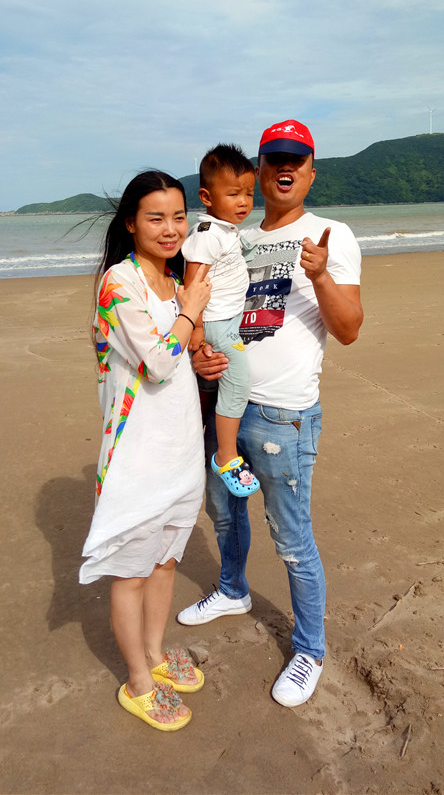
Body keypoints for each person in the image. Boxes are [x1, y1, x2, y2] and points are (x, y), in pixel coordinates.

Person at [177, 120, 363, 708]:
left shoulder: (332, 235)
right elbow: (208, 303)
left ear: (311, 171)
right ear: (259, 172)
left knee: (292, 538)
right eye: (275, 158)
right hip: (226, 405)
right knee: (224, 513)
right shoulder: (236, 236)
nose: (286, 167)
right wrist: (200, 354)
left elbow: (349, 329)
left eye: (297, 159)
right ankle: (232, 588)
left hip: (284, 415)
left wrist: (319, 274)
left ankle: (309, 649)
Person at [79, 170, 212, 732]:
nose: (170, 228)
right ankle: (137, 681)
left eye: (178, 216)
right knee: (131, 572)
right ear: (131, 223)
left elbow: (179, 357)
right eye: (155, 217)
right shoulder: (119, 282)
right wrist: (190, 310)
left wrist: (201, 355)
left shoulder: (175, 279)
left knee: (165, 560)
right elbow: (157, 363)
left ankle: (155, 653)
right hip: (136, 456)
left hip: (181, 447)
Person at [182, 144, 260, 498]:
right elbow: (193, 283)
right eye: (233, 194)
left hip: (225, 320)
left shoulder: (225, 230)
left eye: (249, 194)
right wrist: (196, 327)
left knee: (214, 385)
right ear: (206, 197)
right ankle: (226, 456)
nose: (243, 202)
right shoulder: (207, 234)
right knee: (238, 382)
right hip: (215, 322)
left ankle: (192, 446)